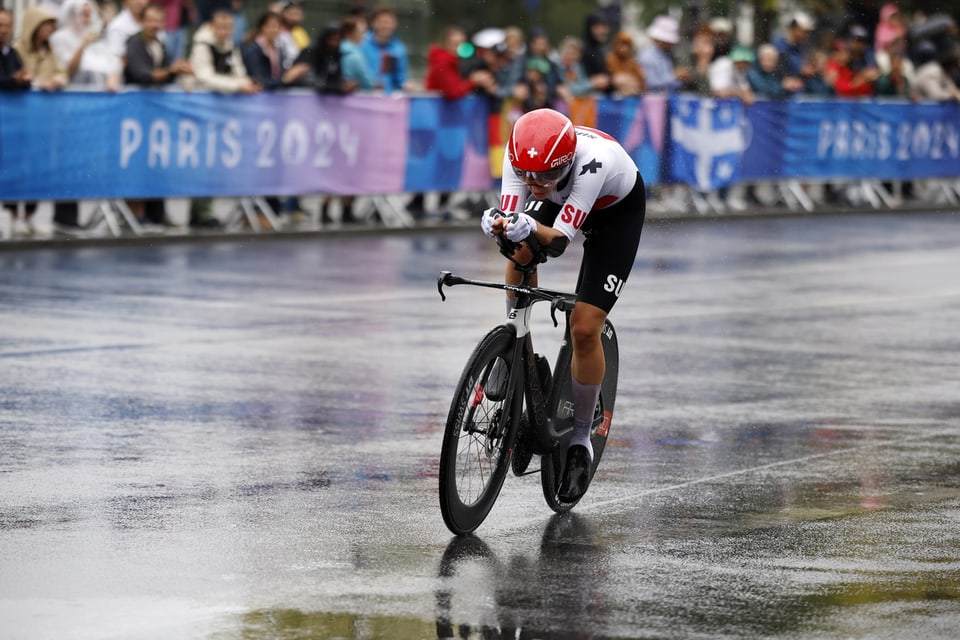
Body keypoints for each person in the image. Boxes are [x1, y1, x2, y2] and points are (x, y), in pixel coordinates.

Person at [480, 108, 646, 502]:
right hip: (565, 202)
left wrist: (530, 227)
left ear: (566, 163)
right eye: (527, 176)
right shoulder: (521, 156)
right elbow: (512, 218)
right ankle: (513, 345)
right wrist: (500, 225)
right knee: (519, 252)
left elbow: (557, 242)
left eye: (545, 177)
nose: (534, 185)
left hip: (614, 213)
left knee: (585, 327)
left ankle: (581, 440)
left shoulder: (592, 165)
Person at [51, 0, 122, 90]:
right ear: (72, 15)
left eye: (89, 14)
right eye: (83, 14)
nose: (86, 19)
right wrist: (83, 45)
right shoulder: (60, 38)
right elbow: (67, 70)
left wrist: (114, 76)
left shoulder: (95, 37)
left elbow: (114, 62)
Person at [189, 8, 259, 93]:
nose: (224, 32)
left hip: (224, 93)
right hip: (200, 94)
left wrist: (247, 83)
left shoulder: (231, 46)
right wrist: (237, 85)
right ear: (211, 26)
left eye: (227, 28)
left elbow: (239, 72)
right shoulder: (202, 44)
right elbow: (205, 79)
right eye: (220, 28)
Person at [123, 2, 192, 86]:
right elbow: (142, 76)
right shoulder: (134, 43)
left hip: (156, 95)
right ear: (142, 21)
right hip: (135, 96)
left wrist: (179, 68)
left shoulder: (160, 44)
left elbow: (167, 72)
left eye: (159, 21)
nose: (155, 25)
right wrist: (171, 70)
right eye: (151, 20)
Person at [240, 10, 305, 90]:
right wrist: (284, 80)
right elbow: (258, 81)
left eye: (277, 27)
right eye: (270, 26)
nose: (274, 30)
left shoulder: (279, 48)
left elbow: (280, 75)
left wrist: (293, 75)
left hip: (275, 94)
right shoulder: (252, 49)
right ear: (262, 27)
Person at [13, 5, 68, 91]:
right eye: (46, 25)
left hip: (48, 101)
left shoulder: (49, 50)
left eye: (52, 25)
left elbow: (62, 73)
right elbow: (15, 78)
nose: (51, 29)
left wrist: (58, 80)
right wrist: (38, 84)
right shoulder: (17, 49)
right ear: (34, 26)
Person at [360, 7, 411, 93]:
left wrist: (406, 85)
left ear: (395, 24)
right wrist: (372, 84)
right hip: (363, 96)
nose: (386, 26)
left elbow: (401, 79)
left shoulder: (399, 49)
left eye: (390, 22)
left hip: (388, 99)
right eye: (383, 22)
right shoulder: (361, 44)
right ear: (373, 23)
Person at [638, 14, 689, 93]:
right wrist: (675, 76)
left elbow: (670, 85)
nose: (671, 44)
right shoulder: (646, 56)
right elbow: (650, 83)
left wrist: (681, 78)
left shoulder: (666, 55)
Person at [339, 12, 375, 91]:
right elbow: (368, 84)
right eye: (361, 32)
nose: (364, 35)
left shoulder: (338, 48)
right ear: (350, 32)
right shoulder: (354, 55)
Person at [0, 8, 33, 91]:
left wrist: (25, 79)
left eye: (7, 26)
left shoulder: (12, 54)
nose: (4, 30)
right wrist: (14, 80)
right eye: (0, 25)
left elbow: (21, 79)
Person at [605, 30, 644, 96]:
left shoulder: (632, 62)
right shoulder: (611, 59)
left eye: (628, 46)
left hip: (633, 94)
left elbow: (641, 79)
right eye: (622, 45)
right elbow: (616, 78)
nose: (625, 49)